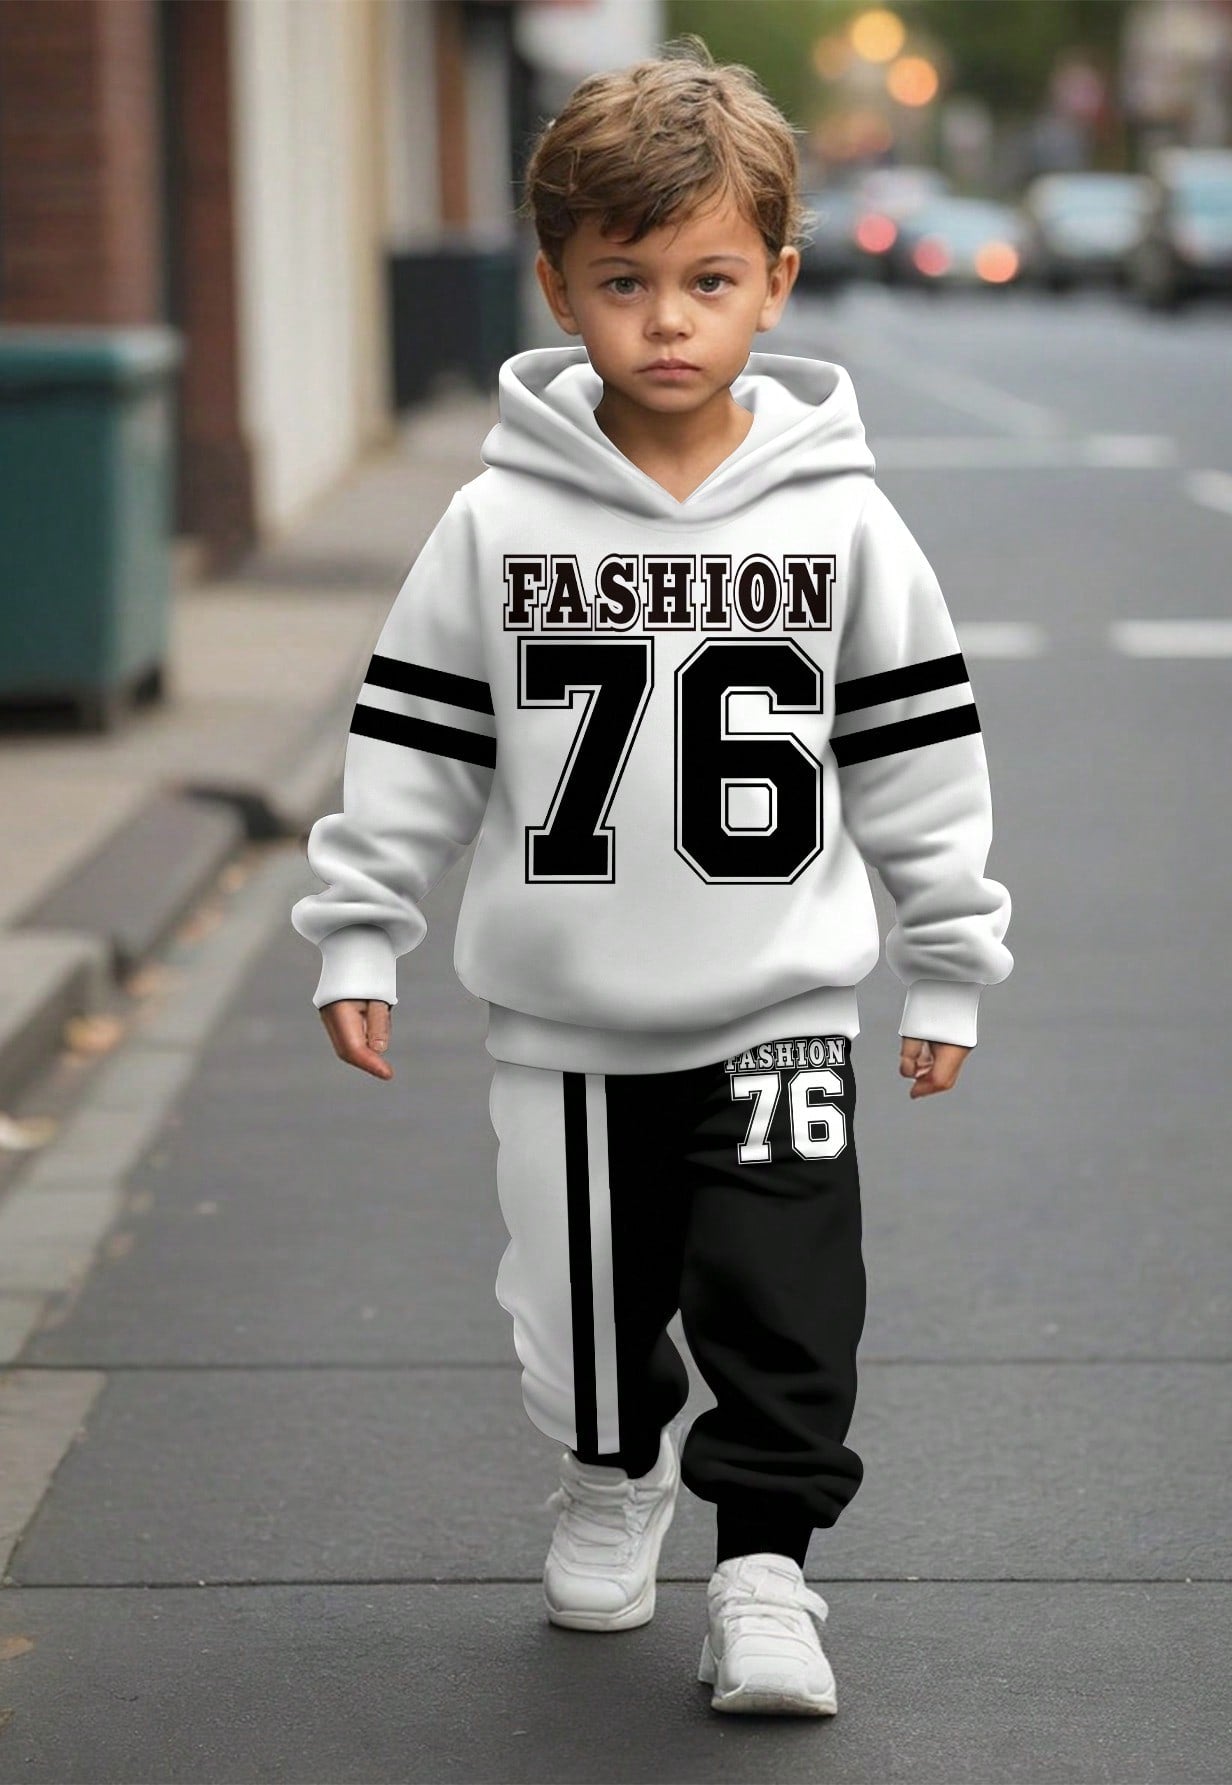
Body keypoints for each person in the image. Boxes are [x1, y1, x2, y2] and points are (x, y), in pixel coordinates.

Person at [290, 34, 1013, 1720]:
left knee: (787, 1294)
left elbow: (918, 755)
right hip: (570, 1017)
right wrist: (360, 931)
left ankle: (766, 1572)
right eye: (624, 281)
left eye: (706, 279)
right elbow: (418, 741)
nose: (667, 321)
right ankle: (611, 1475)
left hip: (782, 1001)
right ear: (556, 286)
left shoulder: (843, 523)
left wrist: (952, 956)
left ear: (777, 281)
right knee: (578, 1317)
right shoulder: (493, 524)